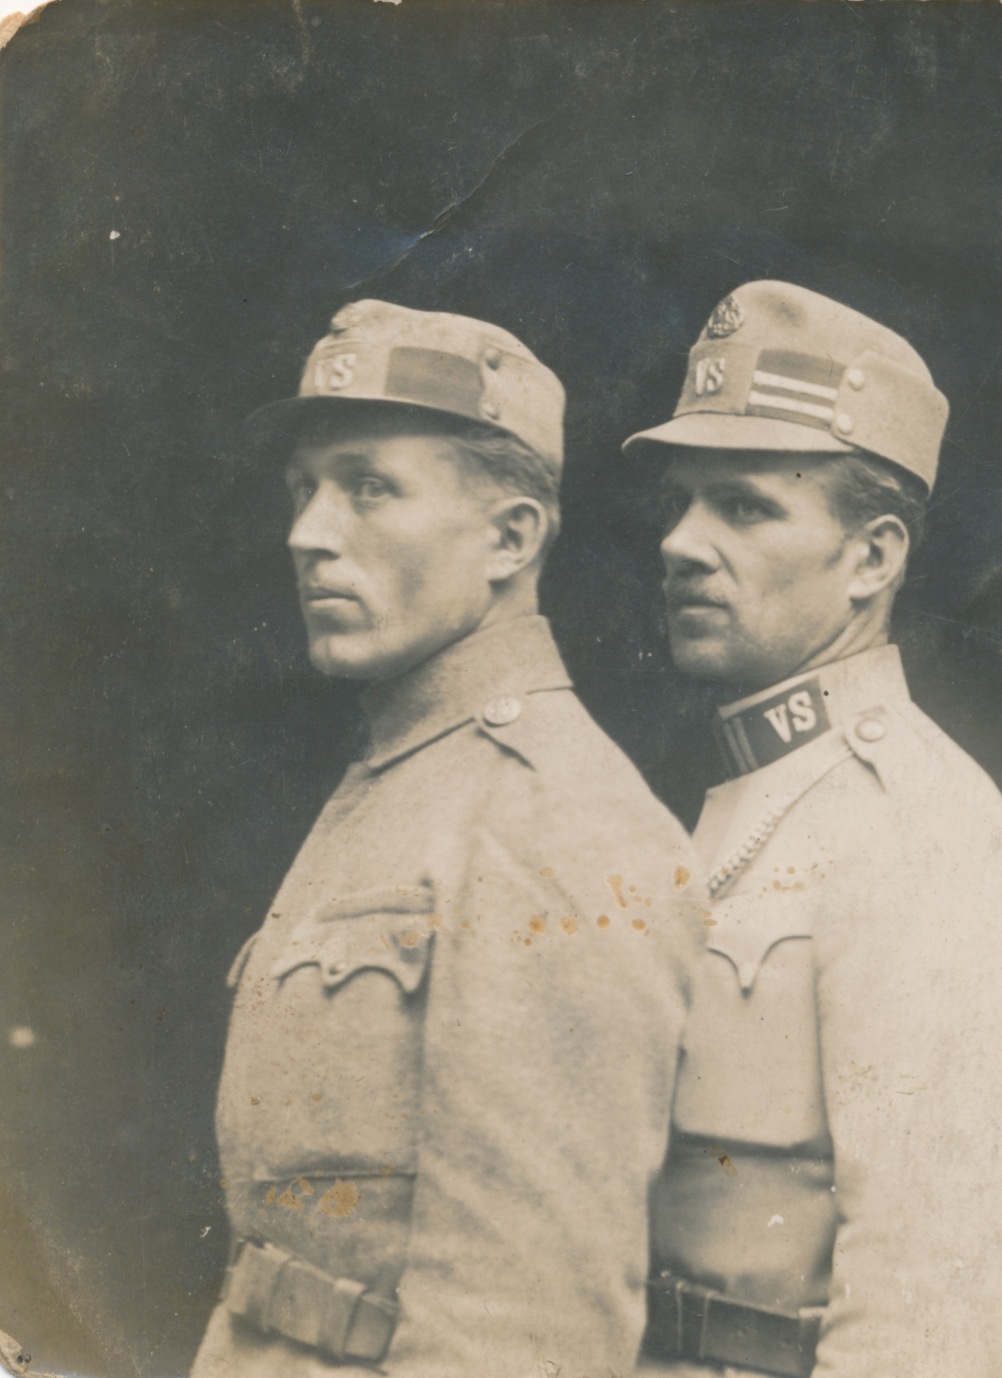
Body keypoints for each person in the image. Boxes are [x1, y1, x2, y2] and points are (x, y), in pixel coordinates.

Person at [193, 300, 701, 1377]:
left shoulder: (556, 821)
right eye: (303, 488)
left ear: (511, 538)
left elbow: (530, 1324)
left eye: (369, 487)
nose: (309, 532)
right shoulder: (403, 777)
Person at [623, 281, 1002, 1378]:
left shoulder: (927, 834)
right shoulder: (742, 800)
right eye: (680, 502)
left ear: (873, 558)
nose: (681, 542)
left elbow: (933, 1304)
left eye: (743, 507)